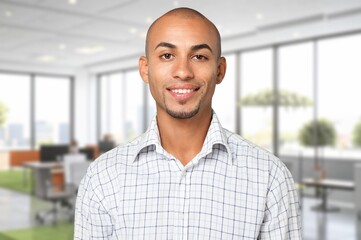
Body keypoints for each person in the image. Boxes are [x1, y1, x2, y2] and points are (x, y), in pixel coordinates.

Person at [74, 7, 302, 239]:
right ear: (145, 69)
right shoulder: (102, 177)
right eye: (167, 56)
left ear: (220, 70)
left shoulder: (269, 176)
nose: (183, 71)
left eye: (199, 56)